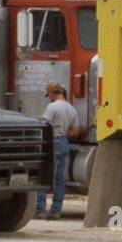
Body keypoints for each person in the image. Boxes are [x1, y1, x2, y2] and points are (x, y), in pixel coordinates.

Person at [38, 82, 80, 220]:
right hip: (63, 142)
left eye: (48, 94)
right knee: (59, 179)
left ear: (53, 92)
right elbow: (75, 131)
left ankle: (39, 209)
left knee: (44, 175)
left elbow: (44, 125)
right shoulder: (72, 109)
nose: (48, 97)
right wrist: (63, 135)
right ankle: (56, 210)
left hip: (52, 141)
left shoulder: (52, 106)